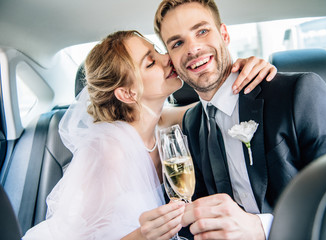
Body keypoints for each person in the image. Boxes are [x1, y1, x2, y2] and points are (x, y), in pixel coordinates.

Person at [22, 29, 277, 240]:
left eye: (158, 51)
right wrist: (141, 237)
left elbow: (215, 102)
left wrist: (244, 70)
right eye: (151, 61)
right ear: (127, 93)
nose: (168, 58)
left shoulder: (163, 121)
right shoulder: (108, 152)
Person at [154, 0, 326, 239]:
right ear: (170, 57)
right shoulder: (192, 122)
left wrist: (261, 228)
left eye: (202, 31)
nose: (193, 49)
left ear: (224, 34)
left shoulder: (297, 93)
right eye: (178, 43)